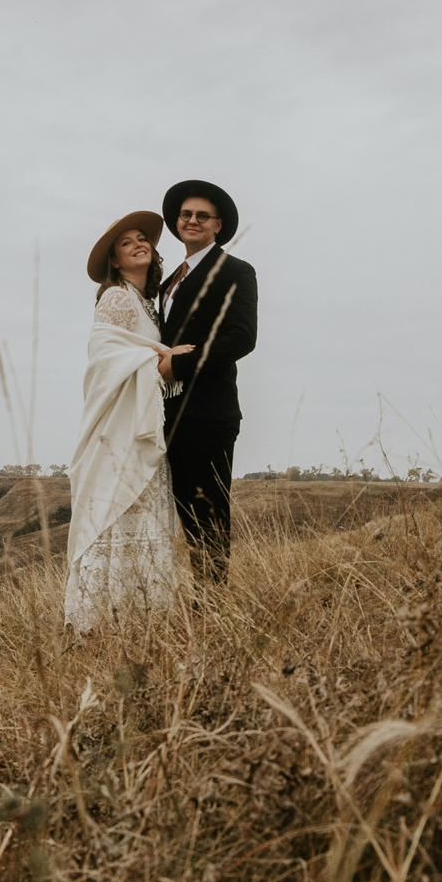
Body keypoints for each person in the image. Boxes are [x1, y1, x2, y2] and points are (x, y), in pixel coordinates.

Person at [63, 211, 193, 631]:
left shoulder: (146, 303)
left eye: (143, 239)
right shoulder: (116, 298)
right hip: (117, 428)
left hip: (140, 423)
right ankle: (107, 620)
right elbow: (103, 361)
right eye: (127, 243)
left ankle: (140, 619)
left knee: (144, 515)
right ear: (115, 262)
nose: (140, 244)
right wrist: (161, 360)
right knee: (118, 513)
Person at [157, 179, 257, 582]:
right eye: (186, 214)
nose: (192, 220)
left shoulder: (235, 271)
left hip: (207, 414)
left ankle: (214, 604)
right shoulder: (167, 282)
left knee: (209, 517)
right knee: (182, 517)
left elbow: (241, 338)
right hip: (165, 415)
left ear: (218, 226)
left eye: (202, 216)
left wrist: (177, 366)